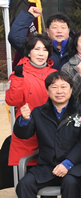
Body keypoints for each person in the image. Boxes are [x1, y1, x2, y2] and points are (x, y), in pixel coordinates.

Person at [13, 71, 81, 198]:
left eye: (64, 86)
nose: (59, 91)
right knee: (24, 184)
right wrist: (24, 120)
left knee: (71, 184)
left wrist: (68, 163)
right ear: (47, 91)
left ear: (71, 90)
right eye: (54, 87)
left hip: (72, 167)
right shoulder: (38, 112)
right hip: (46, 166)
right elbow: (24, 135)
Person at [6, 34, 57, 169]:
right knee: (26, 177)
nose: (41, 54)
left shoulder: (55, 74)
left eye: (45, 50)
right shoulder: (19, 72)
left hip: (51, 132)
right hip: (27, 130)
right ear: (28, 52)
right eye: (36, 49)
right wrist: (17, 77)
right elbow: (12, 100)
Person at [9, 7, 74, 69]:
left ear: (68, 31)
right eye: (55, 27)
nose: (59, 31)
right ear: (47, 31)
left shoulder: (77, 47)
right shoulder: (36, 46)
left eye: (63, 27)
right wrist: (29, 16)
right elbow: (15, 38)